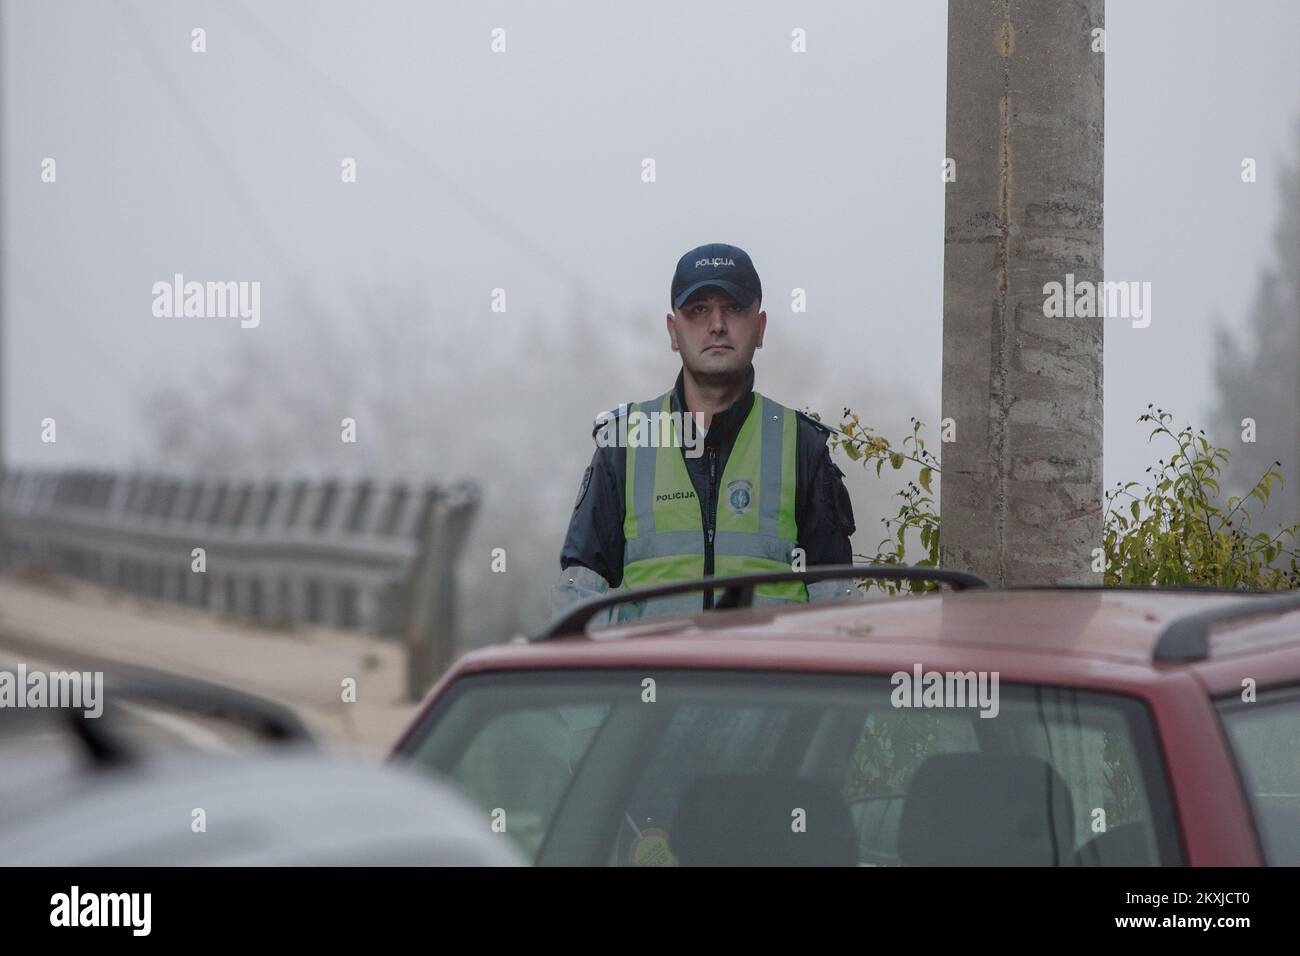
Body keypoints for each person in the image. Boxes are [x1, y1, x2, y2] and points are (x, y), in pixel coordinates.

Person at [552, 242, 857, 622]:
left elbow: (837, 611)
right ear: (673, 331)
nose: (717, 324)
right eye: (698, 310)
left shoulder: (802, 446)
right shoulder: (625, 444)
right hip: (650, 681)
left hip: (764, 683)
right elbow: (578, 600)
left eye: (733, 308)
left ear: (760, 328)